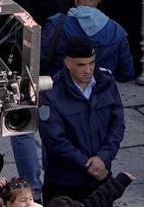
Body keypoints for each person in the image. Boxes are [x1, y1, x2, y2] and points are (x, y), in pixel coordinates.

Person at [39, 37, 124, 202]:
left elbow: (117, 125)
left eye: (91, 63)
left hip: (100, 179)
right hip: (65, 184)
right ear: (67, 63)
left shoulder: (106, 83)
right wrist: (90, 165)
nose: (88, 70)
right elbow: (55, 140)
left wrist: (103, 157)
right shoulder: (51, 92)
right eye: (81, 65)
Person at [39, 0, 134, 80]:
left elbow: (39, 60)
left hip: (62, 91)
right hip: (101, 93)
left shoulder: (56, 24)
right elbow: (126, 73)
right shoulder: (118, 32)